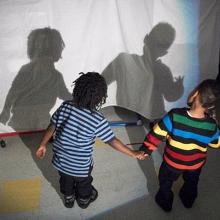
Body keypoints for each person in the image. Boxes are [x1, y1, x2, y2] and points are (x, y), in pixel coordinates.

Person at [36, 72, 146, 209]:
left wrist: (42, 144)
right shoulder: (97, 119)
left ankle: (68, 199)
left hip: (61, 162)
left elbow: (52, 125)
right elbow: (112, 140)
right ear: (100, 98)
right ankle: (83, 201)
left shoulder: (65, 106)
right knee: (84, 184)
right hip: (81, 167)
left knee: (65, 181)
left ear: (77, 89)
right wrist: (133, 153)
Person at [139, 79, 220, 212]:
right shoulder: (211, 125)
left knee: (165, 181)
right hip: (195, 164)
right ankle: (188, 200)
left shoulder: (175, 115)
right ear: (211, 106)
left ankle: (165, 202)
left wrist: (146, 150)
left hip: (172, 163)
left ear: (195, 94)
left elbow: (156, 134)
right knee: (192, 183)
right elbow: (216, 144)